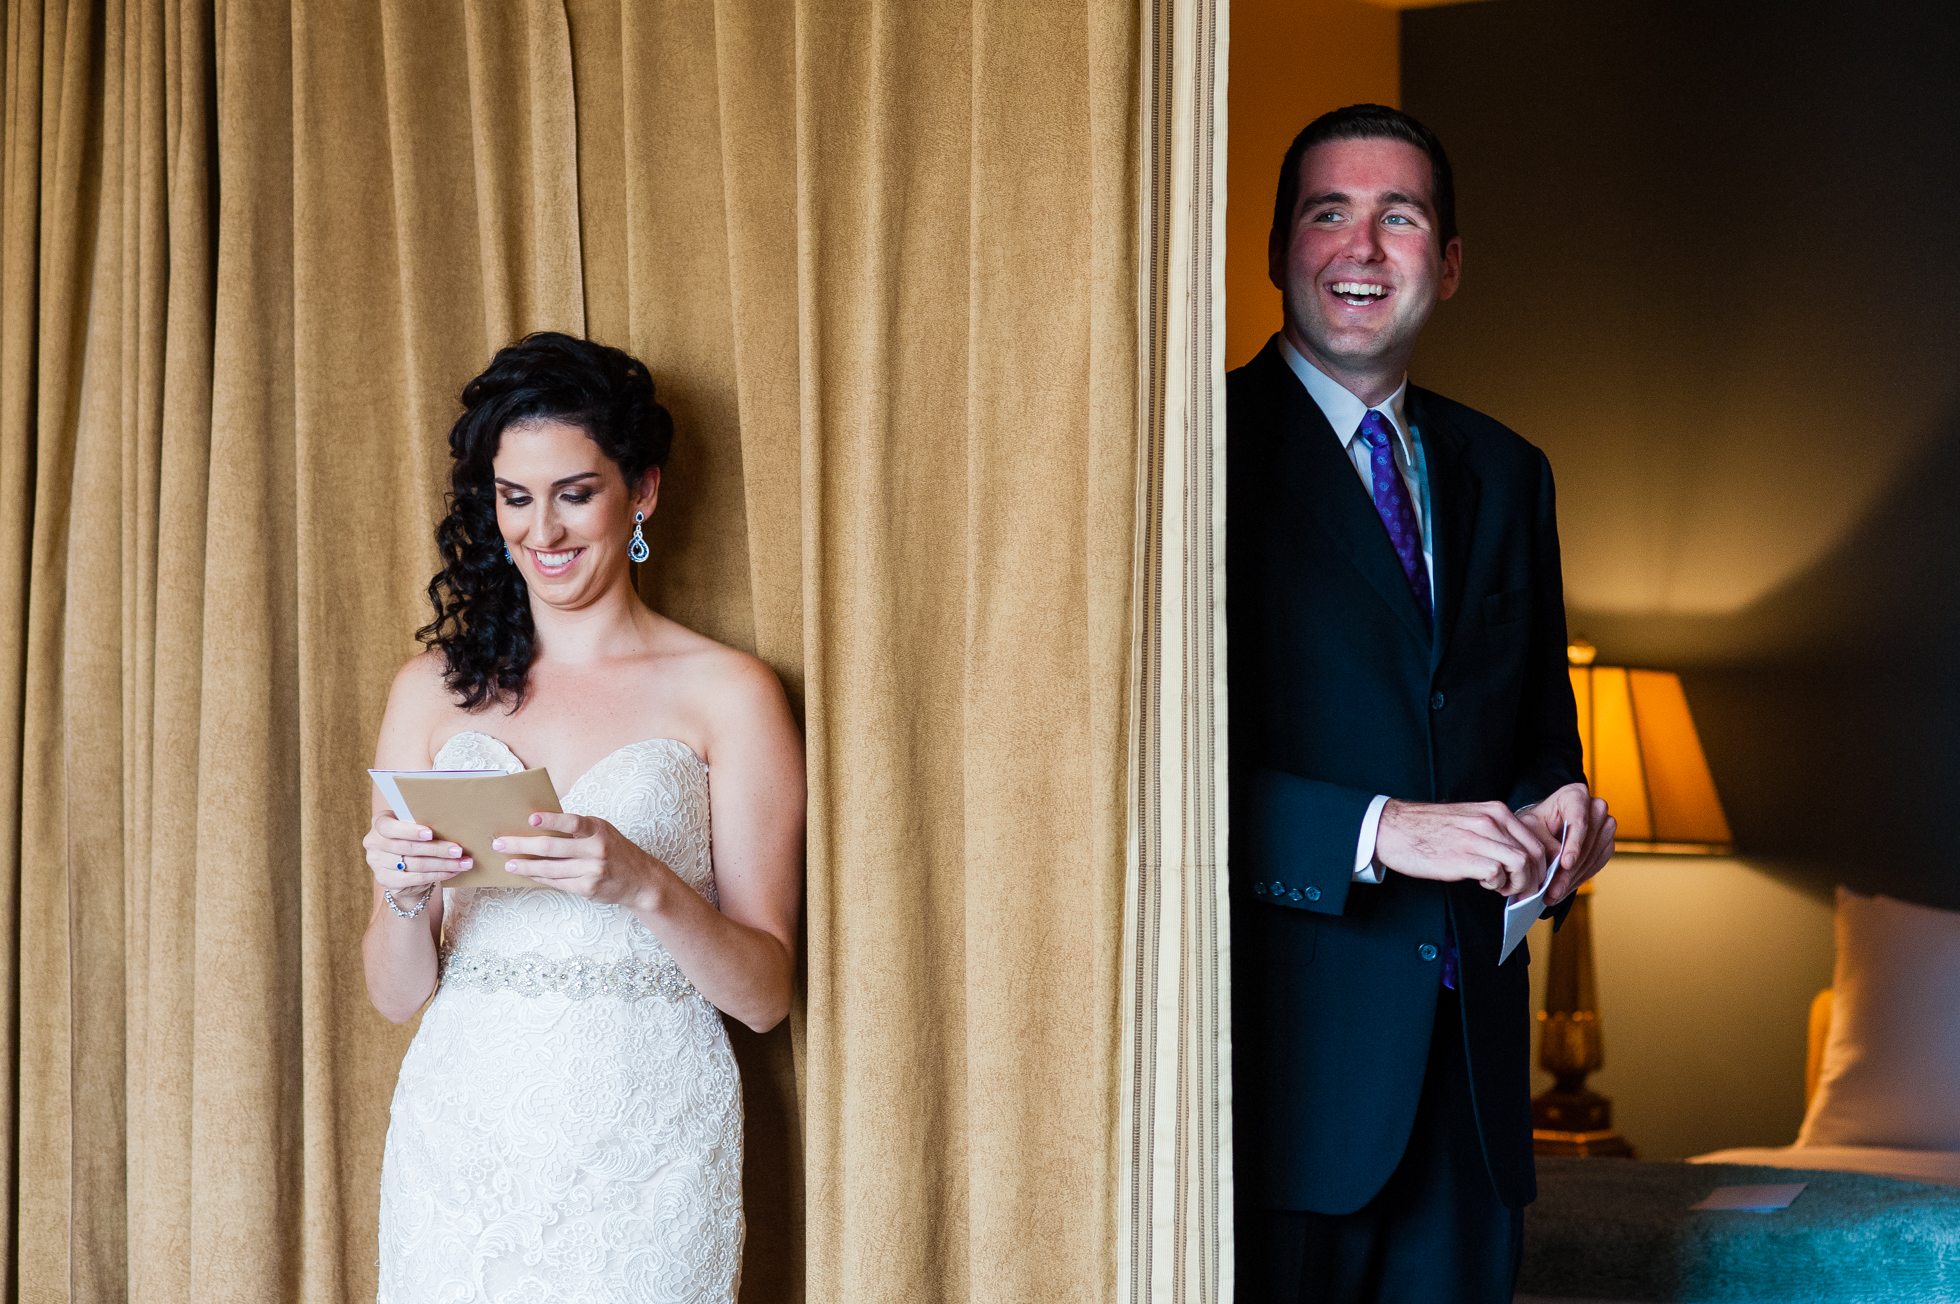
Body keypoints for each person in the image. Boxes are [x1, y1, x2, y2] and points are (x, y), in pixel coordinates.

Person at [1227, 105, 1618, 1302]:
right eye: (1326, 212)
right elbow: (1135, 771)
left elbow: (1537, 731)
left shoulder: (1509, 471)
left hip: (1475, 1101)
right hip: (1287, 1096)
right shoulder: (1191, 450)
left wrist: (1559, 814)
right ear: (1279, 249)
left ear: (1445, 264)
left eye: (1398, 216)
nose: (1361, 245)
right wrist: (1377, 828)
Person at [360, 333, 804, 1303]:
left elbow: (765, 993)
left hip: (648, 1156)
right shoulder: (430, 693)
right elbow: (397, 995)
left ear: (639, 490)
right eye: (514, 497)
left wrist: (640, 880)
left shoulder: (727, 693)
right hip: (462, 1149)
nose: (541, 531)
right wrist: (403, 896)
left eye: (574, 491)